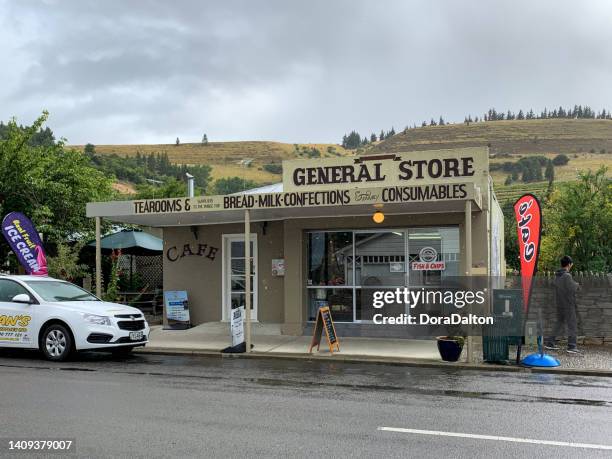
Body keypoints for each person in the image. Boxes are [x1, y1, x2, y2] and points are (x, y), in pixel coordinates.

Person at [544, 256, 581, 354]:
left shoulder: (557, 275)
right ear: (569, 264)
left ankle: (550, 343)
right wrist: (577, 285)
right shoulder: (567, 276)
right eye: (571, 264)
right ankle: (572, 346)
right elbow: (572, 288)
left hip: (559, 303)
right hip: (568, 304)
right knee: (572, 324)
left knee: (559, 322)